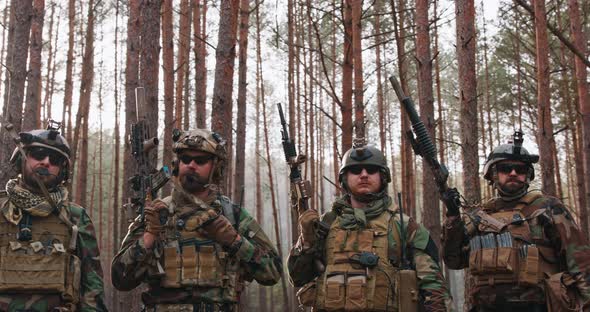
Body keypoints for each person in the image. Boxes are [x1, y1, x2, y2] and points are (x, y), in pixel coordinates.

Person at [111, 128, 282, 311]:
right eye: (185, 159)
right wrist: (150, 236)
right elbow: (120, 279)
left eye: (200, 160)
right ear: (177, 164)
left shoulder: (232, 216)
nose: (191, 165)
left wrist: (236, 241)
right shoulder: (156, 214)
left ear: (215, 167)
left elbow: (272, 272)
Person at [288, 141, 453, 311]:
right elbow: (298, 278)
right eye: (356, 170)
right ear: (345, 178)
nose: (364, 175)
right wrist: (306, 240)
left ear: (383, 176)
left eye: (371, 170)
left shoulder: (404, 226)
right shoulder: (326, 224)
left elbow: (434, 288)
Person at [441, 131, 590, 311]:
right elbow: (454, 260)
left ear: (527, 175)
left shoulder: (548, 208)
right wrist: (453, 217)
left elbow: (581, 265)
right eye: (506, 168)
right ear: (493, 174)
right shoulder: (480, 216)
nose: (513, 173)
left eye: (520, 170)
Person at [0, 124, 106, 311]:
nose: (46, 162)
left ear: (62, 170)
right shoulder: (2, 209)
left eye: (55, 159)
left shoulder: (75, 218)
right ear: (21, 159)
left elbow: (92, 289)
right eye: (39, 154)